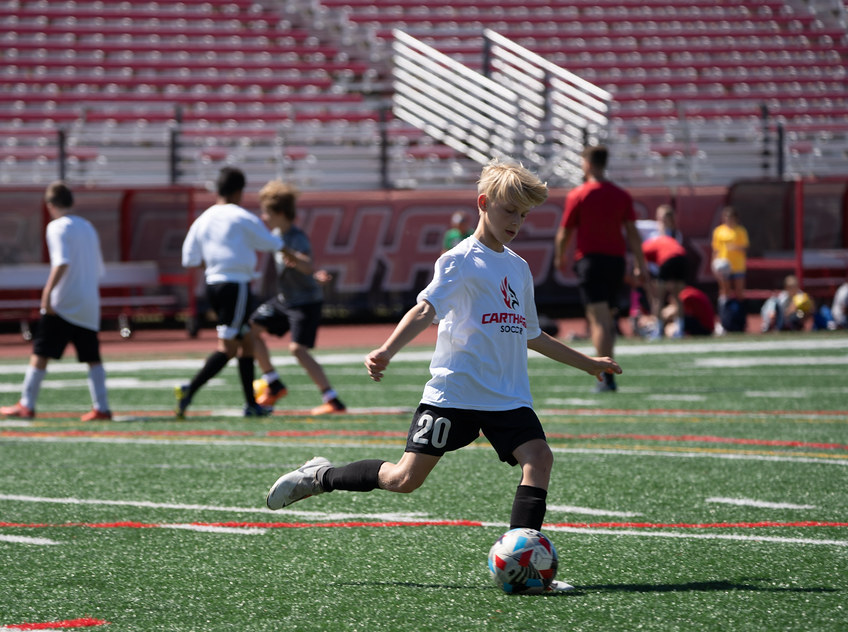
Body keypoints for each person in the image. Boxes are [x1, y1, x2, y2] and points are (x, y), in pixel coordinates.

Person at [265, 162, 621, 580]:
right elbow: (425, 310)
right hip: (455, 395)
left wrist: (588, 363)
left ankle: (522, 562)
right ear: (484, 204)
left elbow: (532, 335)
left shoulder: (518, 268)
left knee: (539, 457)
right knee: (403, 479)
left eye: (524, 215)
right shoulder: (459, 261)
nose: (516, 223)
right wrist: (387, 350)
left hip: (506, 398)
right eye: (509, 211)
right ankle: (320, 476)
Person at [175, 167, 289, 418]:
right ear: (239, 191)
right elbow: (273, 243)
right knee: (227, 348)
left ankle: (251, 404)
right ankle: (189, 389)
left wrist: (214, 266)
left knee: (246, 343)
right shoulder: (240, 216)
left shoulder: (203, 218)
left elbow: (189, 258)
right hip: (235, 286)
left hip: (214, 284)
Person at [0, 181, 112, 421]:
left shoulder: (56, 227)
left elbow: (61, 262)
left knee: (40, 352)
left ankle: (27, 404)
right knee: (92, 357)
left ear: (50, 205)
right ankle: (102, 407)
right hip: (89, 302)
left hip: (64, 303)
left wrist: (47, 293)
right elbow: (98, 268)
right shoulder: (88, 227)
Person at [249, 180, 347, 415]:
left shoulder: (296, 237)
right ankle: (273, 383)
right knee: (249, 329)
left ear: (280, 213)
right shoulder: (274, 233)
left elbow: (306, 263)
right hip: (285, 299)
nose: (263, 216)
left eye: (267, 212)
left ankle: (332, 400)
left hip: (305, 301)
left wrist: (295, 258)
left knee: (297, 350)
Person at [554, 145, 646, 391]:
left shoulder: (579, 194)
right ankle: (610, 370)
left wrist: (560, 257)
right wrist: (640, 263)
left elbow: (565, 232)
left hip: (590, 261)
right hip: (615, 261)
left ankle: (605, 375)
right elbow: (633, 234)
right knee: (609, 318)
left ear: (588, 164)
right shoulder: (620, 194)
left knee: (598, 320)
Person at [641, 208, 690, 338]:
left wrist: (640, 270)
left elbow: (642, 257)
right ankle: (677, 329)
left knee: (660, 298)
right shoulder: (650, 227)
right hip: (675, 261)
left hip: (665, 265)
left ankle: (658, 330)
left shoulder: (673, 234)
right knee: (672, 297)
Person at [711, 205, 750, 306]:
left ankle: (740, 314)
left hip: (738, 265)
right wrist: (713, 264)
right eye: (726, 217)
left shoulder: (741, 231)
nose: (728, 219)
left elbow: (745, 247)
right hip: (723, 265)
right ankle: (725, 314)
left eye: (730, 217)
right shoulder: (718, 231)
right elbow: (715, 249)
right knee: (725, 291)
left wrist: (735, 247)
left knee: (739, 292)